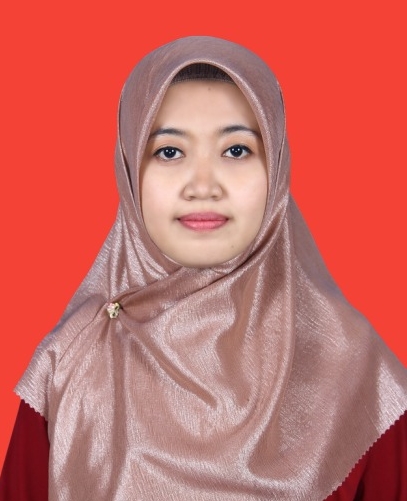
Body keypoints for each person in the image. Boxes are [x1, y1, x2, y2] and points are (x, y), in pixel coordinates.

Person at [1, 36, 406, 501]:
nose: (203, 185)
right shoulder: (69, 364)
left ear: (276, 167)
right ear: (130, 168)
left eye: (236, 150)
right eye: (169, 152)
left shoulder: (355, 373)